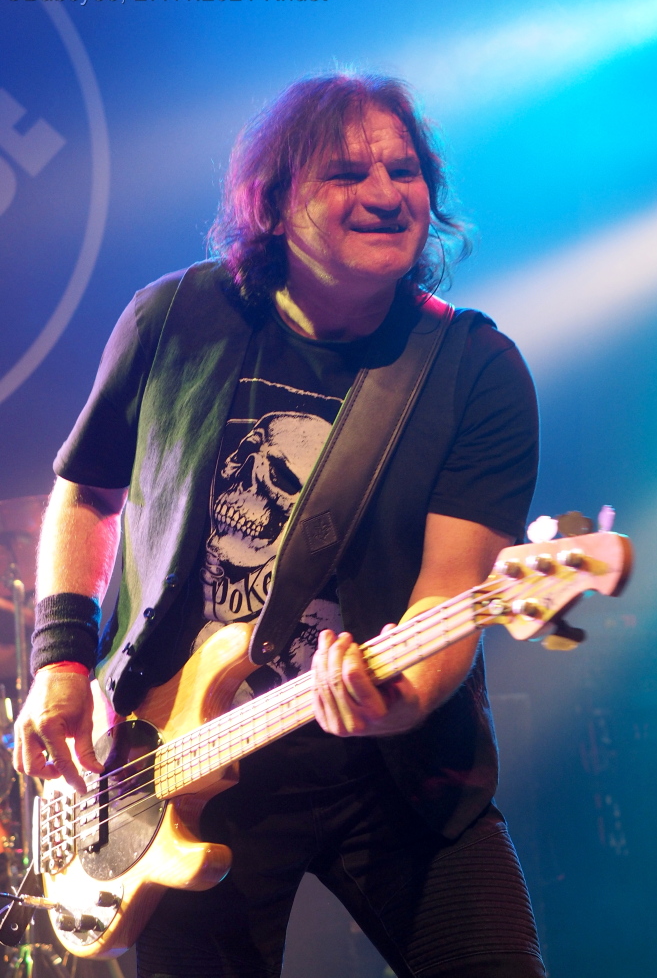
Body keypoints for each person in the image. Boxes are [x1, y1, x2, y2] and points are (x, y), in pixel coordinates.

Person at [13, 73, 543, 978]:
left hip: (395, 773)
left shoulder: (474, 369)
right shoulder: (175, 318)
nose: (386, 194)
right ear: (274, 202)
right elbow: (88, 492)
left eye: (405, 170)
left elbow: (450, 595)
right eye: (347, 173)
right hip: (170, 765)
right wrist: (60, 663)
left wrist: (397, 701)